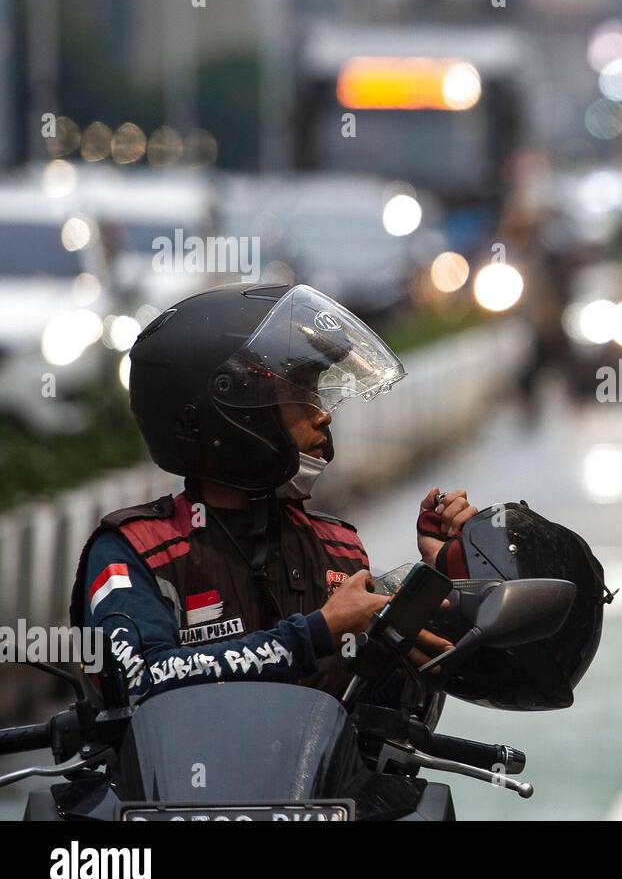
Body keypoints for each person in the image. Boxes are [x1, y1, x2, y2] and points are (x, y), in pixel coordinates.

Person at [70, 282, 477, 704]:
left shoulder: (339, 549)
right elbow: (139, 679)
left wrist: (443, 579)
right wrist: (316, 633)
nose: (323, 414)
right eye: (300, 393)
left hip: (317, 772)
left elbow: (386, 712)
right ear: (227, 410)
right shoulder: (132, 551)